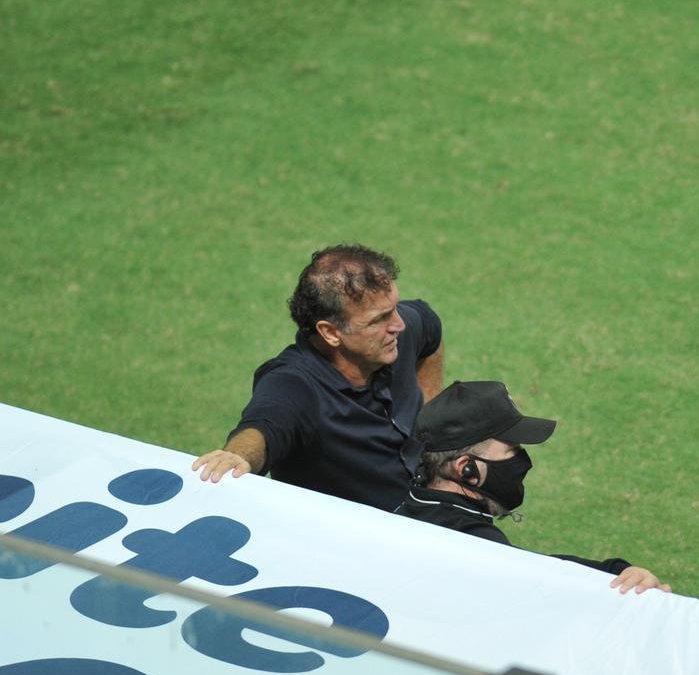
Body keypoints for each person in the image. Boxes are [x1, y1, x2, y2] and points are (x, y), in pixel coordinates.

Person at [192, 244, 443, 511]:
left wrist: (432, 417)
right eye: (379, 319)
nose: (398, 324)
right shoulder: (294, 384)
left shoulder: (393, 335)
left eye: (393, 308)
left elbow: (429, 328)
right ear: (331, 333)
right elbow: (263, 428)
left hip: (432, 508)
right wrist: (235, 457)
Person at [396, 380, 670, 595]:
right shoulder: (475, 546)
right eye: (511, 449)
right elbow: (538, 580)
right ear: (467, 468)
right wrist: (615, 574)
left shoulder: (408, 506)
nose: (522, 461)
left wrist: (613, 569)